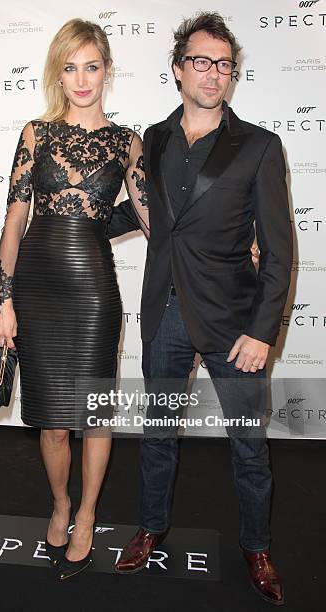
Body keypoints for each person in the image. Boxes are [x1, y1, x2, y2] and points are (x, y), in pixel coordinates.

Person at [107, 12, 292, 606]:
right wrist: (68, 224)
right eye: (201, 61)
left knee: (248, 444)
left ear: (231, 75)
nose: (213, 74)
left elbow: (282, 253)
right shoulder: (152, 140)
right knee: (157, 433)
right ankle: (151, 526)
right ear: (178, 69)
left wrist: (264, 331)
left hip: (234, 323)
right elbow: (140, 216)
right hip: (164, 313)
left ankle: (256, 546)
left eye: (223, 64)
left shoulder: (260, 146)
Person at [0, 18, 148, 580]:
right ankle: (59, 502)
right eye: (71, 67)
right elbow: (14, 222)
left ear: (107, 69)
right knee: (54, 423)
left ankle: (86, 513)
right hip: (37, 287)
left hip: (95, 293)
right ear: (59, 72)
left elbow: (156, 219)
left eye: (93, 66)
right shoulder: (36, 133)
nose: (82, 79)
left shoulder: (129, 143)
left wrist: (228, 242)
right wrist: (0, 300)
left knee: (95, 417)